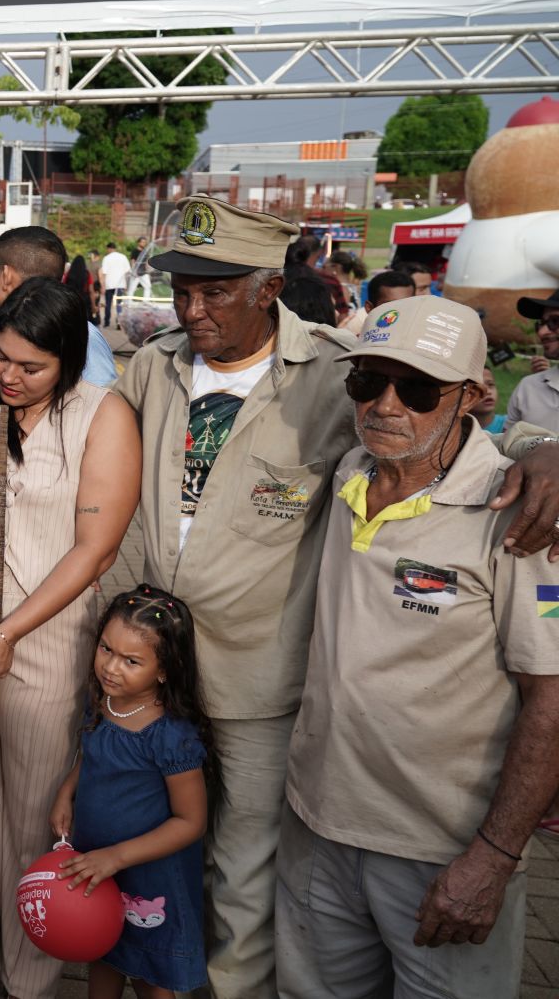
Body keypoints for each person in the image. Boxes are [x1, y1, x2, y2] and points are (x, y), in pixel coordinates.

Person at [114, 194, 559, 998]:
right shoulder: (156, 365)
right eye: (181, 287)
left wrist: (545, 448)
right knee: (156, 857)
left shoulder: (332, 370)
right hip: (156, 677)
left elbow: (458, 415)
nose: (192, 307)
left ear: (266, 285)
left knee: (244, 886)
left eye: (216, 290)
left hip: (262, 687)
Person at [278, 296, 559, 997]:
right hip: (319, 828)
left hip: (442, 855)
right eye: (367, 380)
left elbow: (551, 695)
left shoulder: (517, 516)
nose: (386, 404)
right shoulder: (349, 471)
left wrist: (493, 857)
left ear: (471, 396)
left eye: (419, 387)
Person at [0, 278, 141, 998]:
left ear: (69, 359)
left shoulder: (101, 416)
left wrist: (10, 631)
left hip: (47, 639)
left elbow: (96, 549)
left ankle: (30, 966)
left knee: (37, 809)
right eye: (2, 358)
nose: (10, 377)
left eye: (31, 366)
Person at [52, 585, 212, 999]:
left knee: (149, 971)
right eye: (106, 649)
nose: (111, 667)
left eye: (131, 660)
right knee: (103, 952)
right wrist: (67, 791)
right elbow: (93, 755)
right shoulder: (104, 701)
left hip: (148, 876)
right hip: (98, 864)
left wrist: (116, 857)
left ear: (164, 669)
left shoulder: (170, 735)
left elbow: (190, 822)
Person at [0, 226, 118, 387]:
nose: (9, 378)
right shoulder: (5, 328)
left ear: (6, 276)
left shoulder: (81, 334)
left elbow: (101, 399)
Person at [507, 288, 559, 431]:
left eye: (555, 321)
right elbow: (507, 446)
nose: (542, 332)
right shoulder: (527, 388)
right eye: (540, 324)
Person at [337, 268, 424, 335]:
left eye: (407, 305)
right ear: (369, 308)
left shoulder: (423, 334)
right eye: (390, 307)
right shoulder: (355, 333)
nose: (399, 313)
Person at [99, 241, 132, 329]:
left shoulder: (106, 258)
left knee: (108, 303)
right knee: (119, 304)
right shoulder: (123, 257)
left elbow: (104, 273)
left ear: (109, 248)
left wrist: (103, 285)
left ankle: (106, 322)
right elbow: (128, 272)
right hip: (120, 284)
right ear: (115, 248)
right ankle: (119, 322)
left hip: (109, 284)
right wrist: (126, 285)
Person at [474, 365, 507, 433]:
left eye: (491, 384)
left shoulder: (510, 425)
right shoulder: (453, 429)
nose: (488, 392)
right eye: (478, 387)